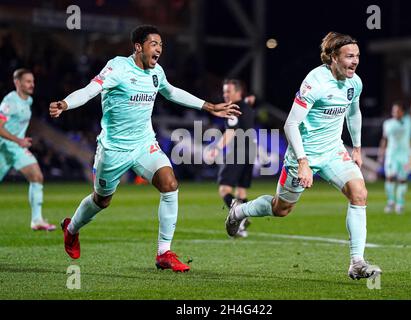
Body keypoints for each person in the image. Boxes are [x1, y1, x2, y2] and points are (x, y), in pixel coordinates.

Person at [49, 25, 240, 272]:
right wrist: (65, 103)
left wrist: (209, 106)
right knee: (101, 201)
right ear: (138, 47)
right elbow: (89, 90)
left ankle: (164, 253)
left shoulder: (156, 72)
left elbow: (171, 92)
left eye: (161, 45)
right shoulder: (117, 67)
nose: (159, 49)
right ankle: (71, 228)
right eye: (154, 44)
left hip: (143, 144)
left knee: (170, 183)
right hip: (114, 149)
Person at [225, 32, 382, 280]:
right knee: (281, 209)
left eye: (357, 56)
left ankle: (357, 262)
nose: (355, 61)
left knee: (359, 193)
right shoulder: (315, 83)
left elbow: (353, 113)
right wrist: (303, 162)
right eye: (349, 56)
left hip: (333, 151)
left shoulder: (355, 83)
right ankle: (239, 211)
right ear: (332, 57)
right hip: (304, 154)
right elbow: (290, 125)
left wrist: (358, 148)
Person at [0, 69, 56, 231]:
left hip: (16, 148)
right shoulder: (9, 102)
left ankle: (37, 220)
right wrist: (18, 139)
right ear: (17, 83)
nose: (32, 84)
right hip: (4, 147)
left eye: (32, 81)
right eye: (28, 81)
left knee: (37, 176)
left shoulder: (28, 101)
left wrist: (20, 140)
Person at [209, 79, 256, 238]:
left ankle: (238, 217)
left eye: (228, 91)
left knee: (224, 189)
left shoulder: (234, 109)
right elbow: (250, 101)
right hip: (251, 150)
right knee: (241, 192)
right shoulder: (245, 106)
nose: (225, 94)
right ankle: (243, 222)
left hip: (238, 151)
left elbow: (231, 132)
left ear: (238, 92)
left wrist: (216, 148)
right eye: (224, 91)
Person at [378, 86, 411, 214]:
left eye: (397, 111)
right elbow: (384, 139)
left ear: (402, 112)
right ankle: (390, 201)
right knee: (390, 178)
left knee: (402, 180)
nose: (395, 113)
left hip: (404, 155)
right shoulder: (387, 124)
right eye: (393, 111)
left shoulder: (408, 121)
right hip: (391, 154)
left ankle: (400, 204)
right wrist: (381, 153)